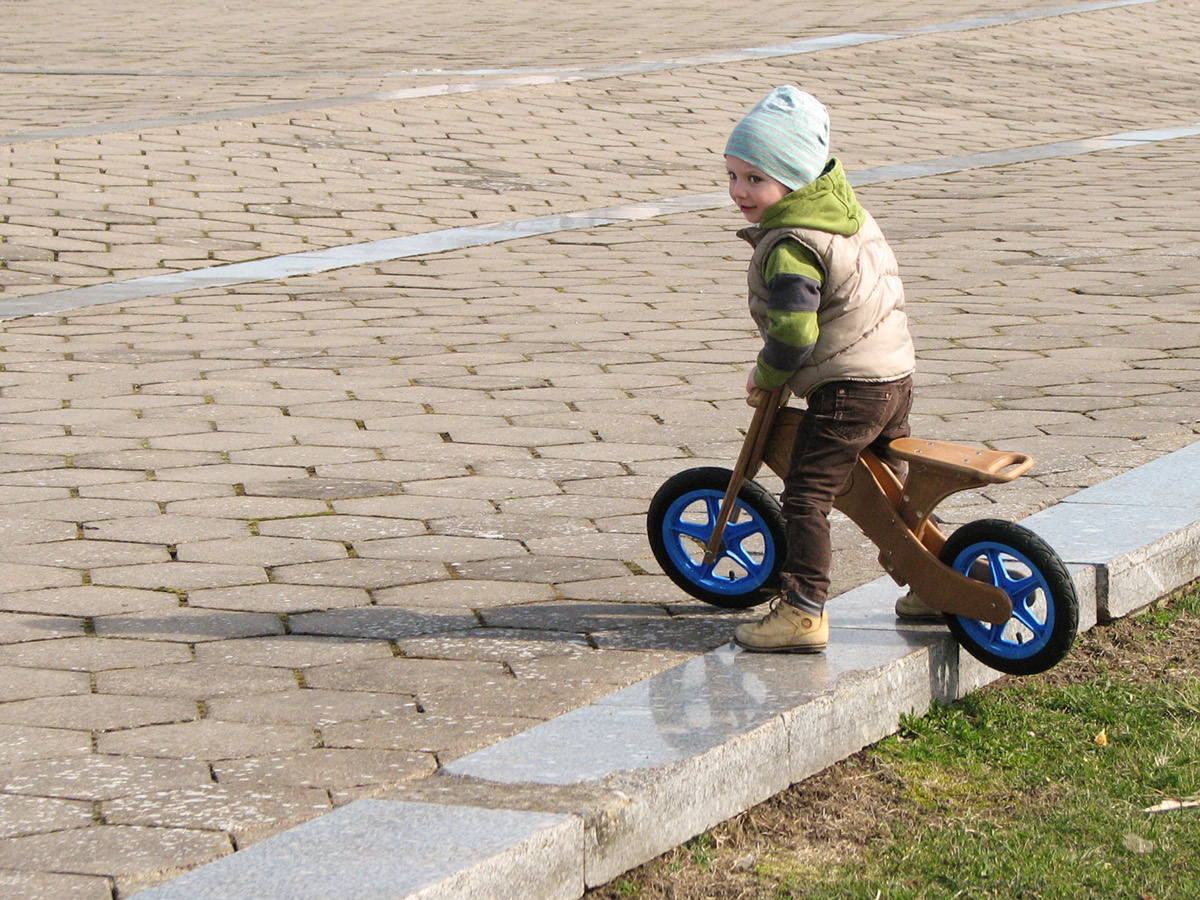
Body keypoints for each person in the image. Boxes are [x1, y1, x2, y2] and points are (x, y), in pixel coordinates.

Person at [724, 86, 919, 653]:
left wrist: (766, 374)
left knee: (807, 494)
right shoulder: (845, 215)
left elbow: (793, 333)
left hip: (848, 388)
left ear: (795, 179)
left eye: (755, 178)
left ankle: (803, 610)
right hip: (894, 377)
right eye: (732, 175)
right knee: (889, 496)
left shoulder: (792, 242)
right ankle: (932, 582)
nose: (739, 191)